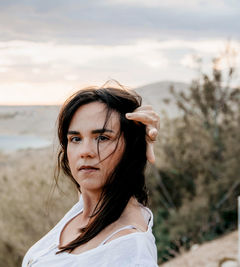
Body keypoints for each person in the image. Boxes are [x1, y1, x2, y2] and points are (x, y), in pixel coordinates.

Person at [22, 82, 160, 267]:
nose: (85, 152)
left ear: (131, 147)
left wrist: (139, 145)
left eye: (103, 138)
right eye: (76, 139)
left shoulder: (130, 249)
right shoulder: (86, 208)